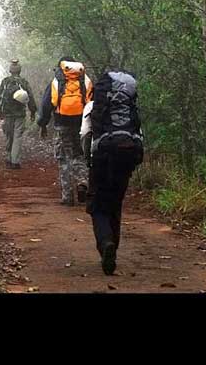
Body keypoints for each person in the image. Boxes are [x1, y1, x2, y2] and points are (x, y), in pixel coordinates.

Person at [81, 70, 144, 275]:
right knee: (115, 203)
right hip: (127, 155)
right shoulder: (130, 108)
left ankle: (106, 243)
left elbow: (85, 135)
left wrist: (88, 160)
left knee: (97, 205)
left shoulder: (92, 107)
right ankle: (113, 248)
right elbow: (139, 133)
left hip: (102, 156)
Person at [37, 56, 93, 206]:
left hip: (61, 124)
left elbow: (46, 105)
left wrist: (42, 124)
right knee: (79, 154)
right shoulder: (84, 80)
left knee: (63, 159)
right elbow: (93, 103)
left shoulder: (57, 81)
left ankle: (67, 196)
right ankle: (82, 182)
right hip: (81, 124)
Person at [0, 59, 37, 169]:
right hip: (20, 114)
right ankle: (15, 161)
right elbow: (30, 97)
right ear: (20, 71)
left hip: (7, 114)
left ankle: (9, 158)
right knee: (17, 136)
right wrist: (33, 111)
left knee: (8, 136)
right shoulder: (24, 82)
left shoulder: (5, 81)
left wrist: (0, 111)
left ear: (10, 70)